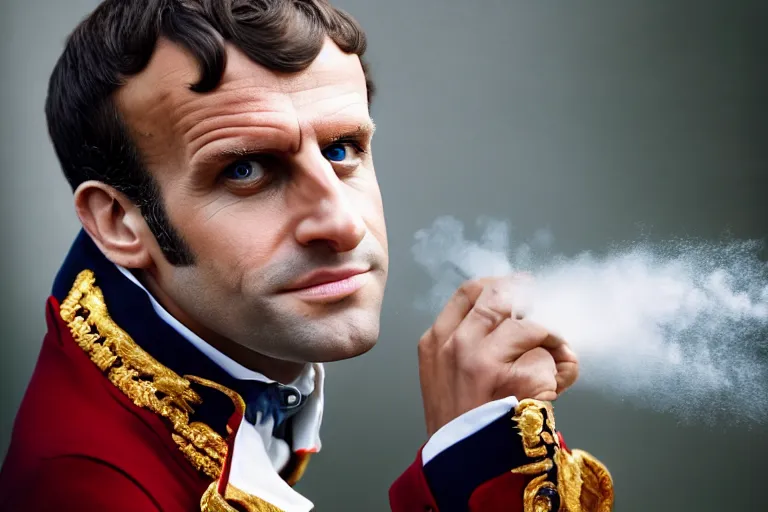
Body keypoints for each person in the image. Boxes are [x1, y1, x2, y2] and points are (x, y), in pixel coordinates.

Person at [0, 1, 613, 510]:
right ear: (119, 221)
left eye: (342, 148)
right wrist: (472, 465)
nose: (343, 225)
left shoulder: (203, 333)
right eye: (244, 169)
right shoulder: (85, 488)